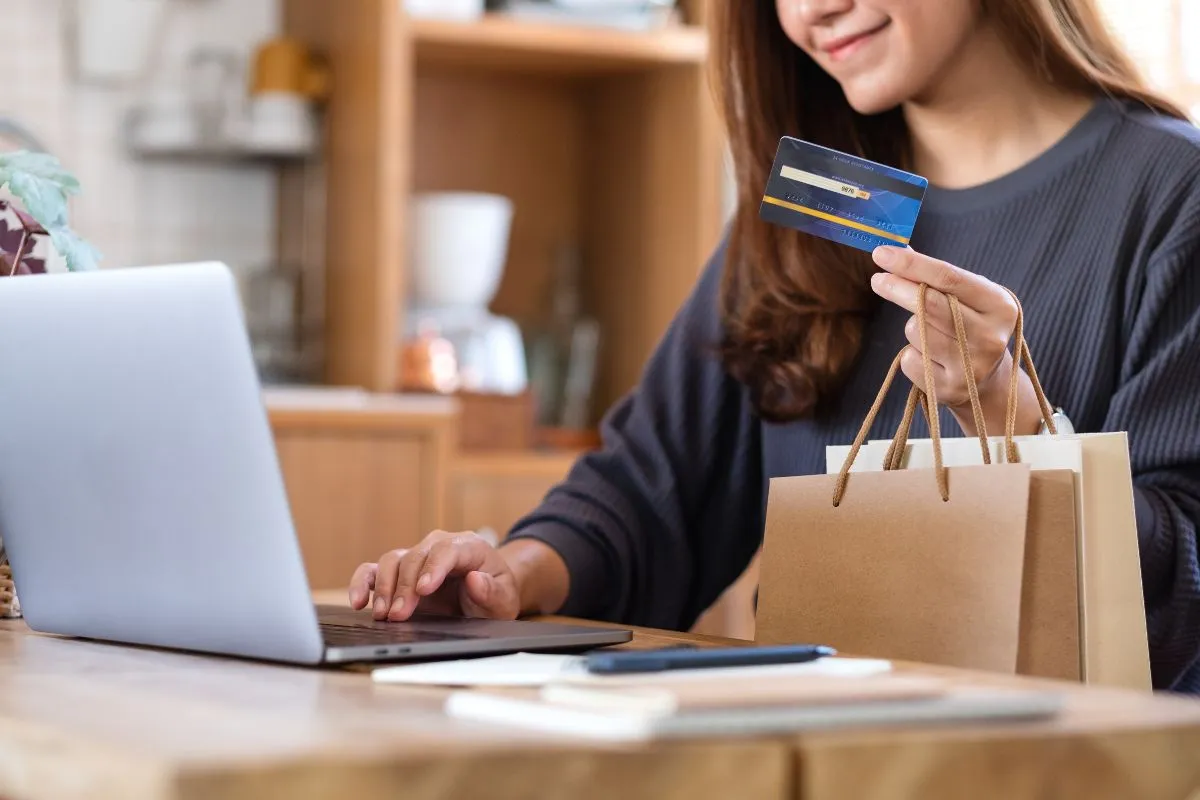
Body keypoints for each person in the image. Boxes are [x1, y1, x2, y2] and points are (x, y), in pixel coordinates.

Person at [349, 0, 1200, 693]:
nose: (812, 12)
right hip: (816, 757)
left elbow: (1183, 582)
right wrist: (510, 574)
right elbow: (653, 492)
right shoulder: (829, 199)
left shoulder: (1170, 197)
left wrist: (1012, 413)